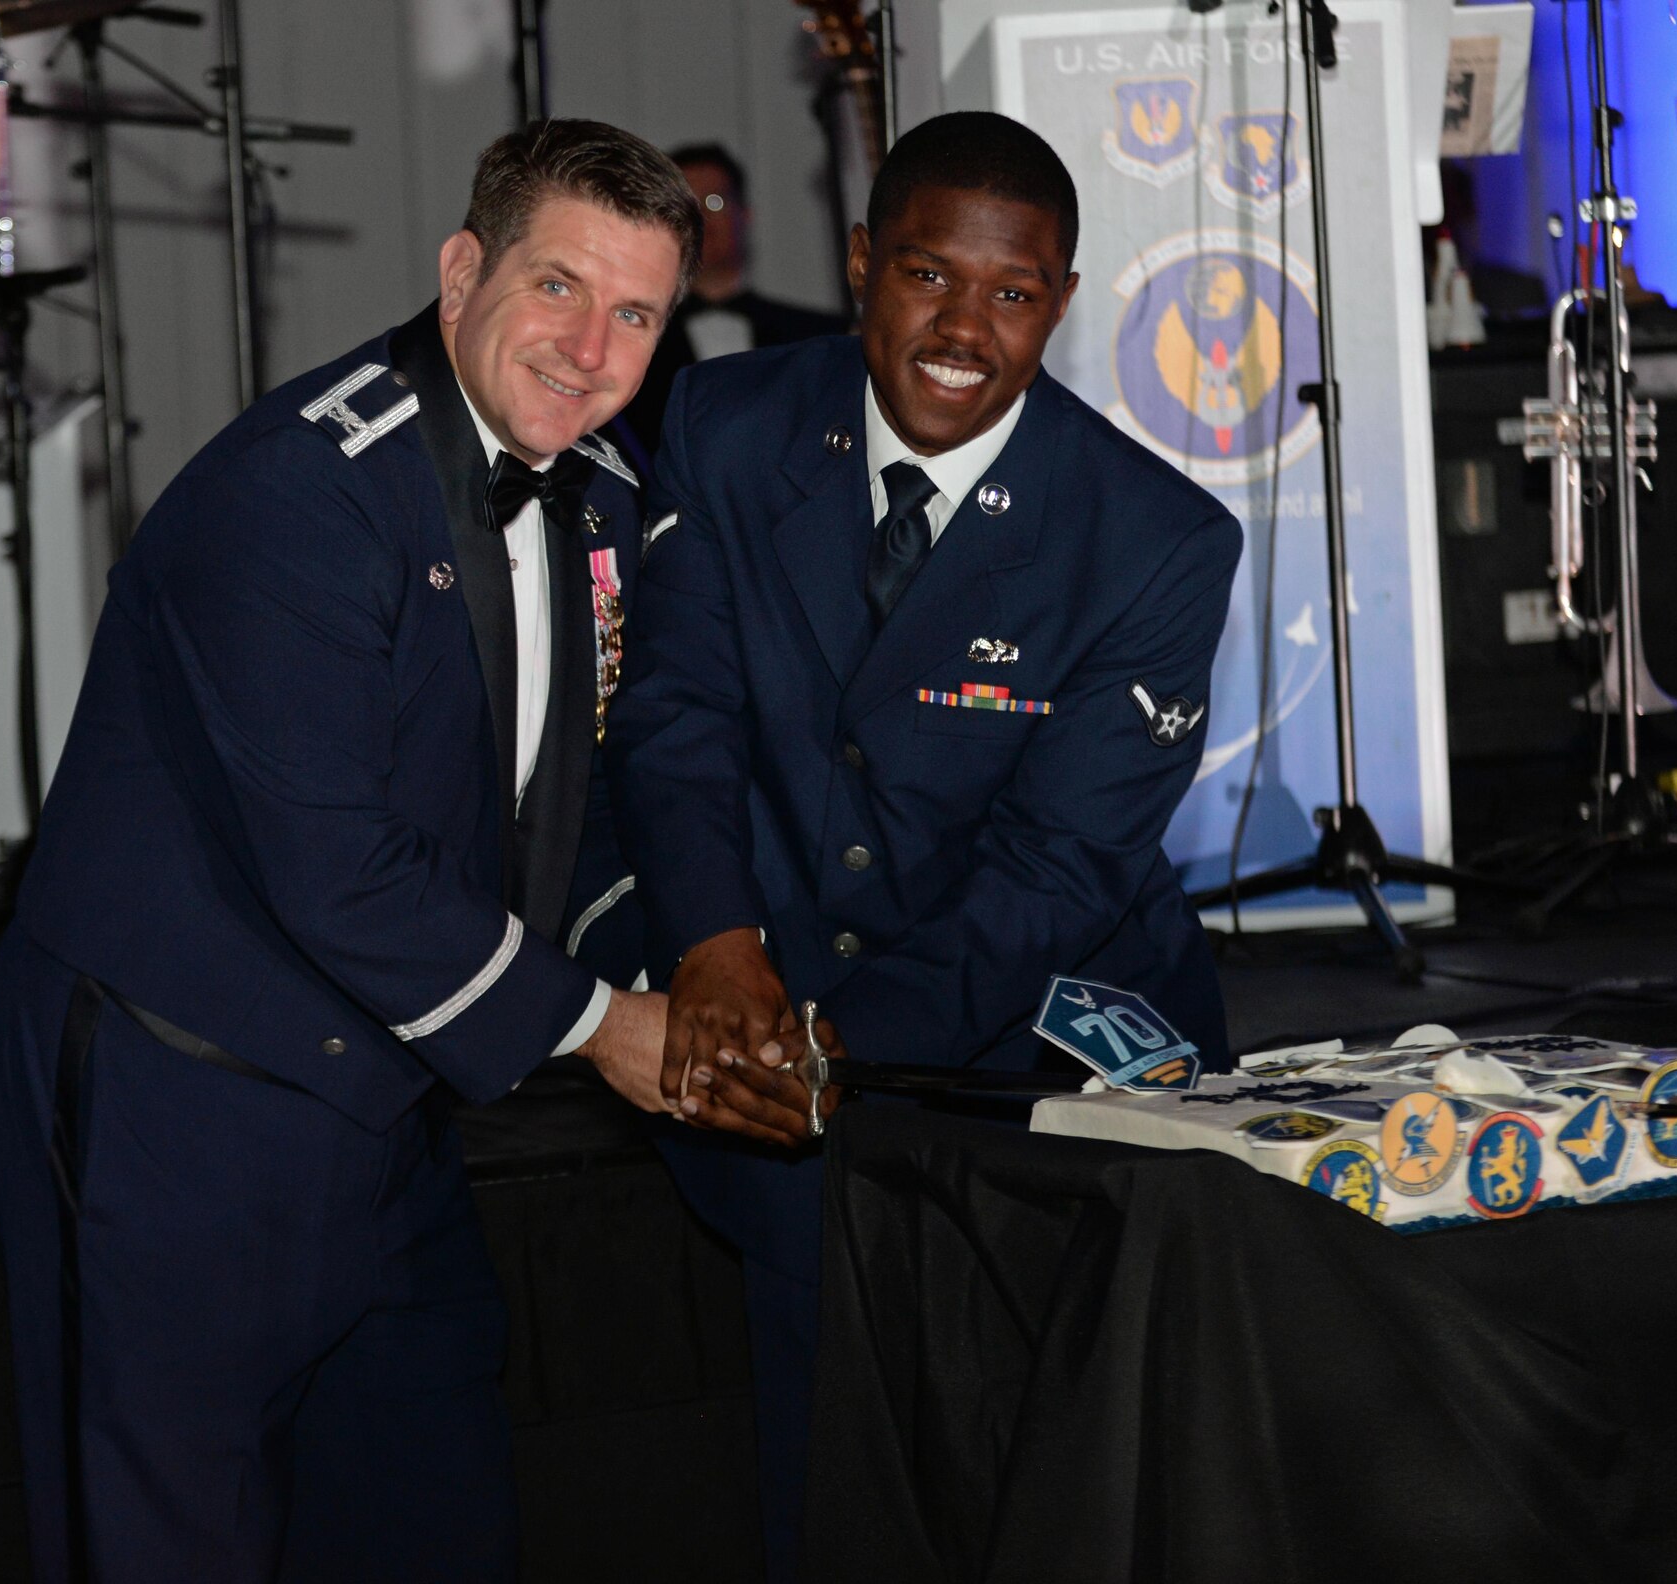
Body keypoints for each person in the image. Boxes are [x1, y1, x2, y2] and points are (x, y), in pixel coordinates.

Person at [0, 118, 695, 1582]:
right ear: (458, 272)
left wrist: (712, 964)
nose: (589, 347)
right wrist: (603, 1023)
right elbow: (337, 869)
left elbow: (580, 801)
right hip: (182, 1084)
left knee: (423, 1502)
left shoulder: (604, 493)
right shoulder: (295, 496)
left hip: (391, 1088)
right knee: (167, 1537)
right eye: (556, 285)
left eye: (635, 313)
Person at [607, 110, 1243, 1582]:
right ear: (858, 267)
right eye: (926, 276)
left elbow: (1056, 871)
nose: (966, 327)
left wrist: (831, 1049)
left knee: (1054, 1479)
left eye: (1014, 292)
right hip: (763, 1003)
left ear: (1062, 303)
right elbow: (679, 717)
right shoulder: (724, 424)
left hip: (1021, 1037)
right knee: (823, 1457)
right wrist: (717, 953)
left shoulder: (1156, 539)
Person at [618, 142, 851, 460]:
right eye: (686, 207)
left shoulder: (821, 337)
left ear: (746, 214)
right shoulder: (629, 342)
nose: (702, 219)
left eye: (714, 202)